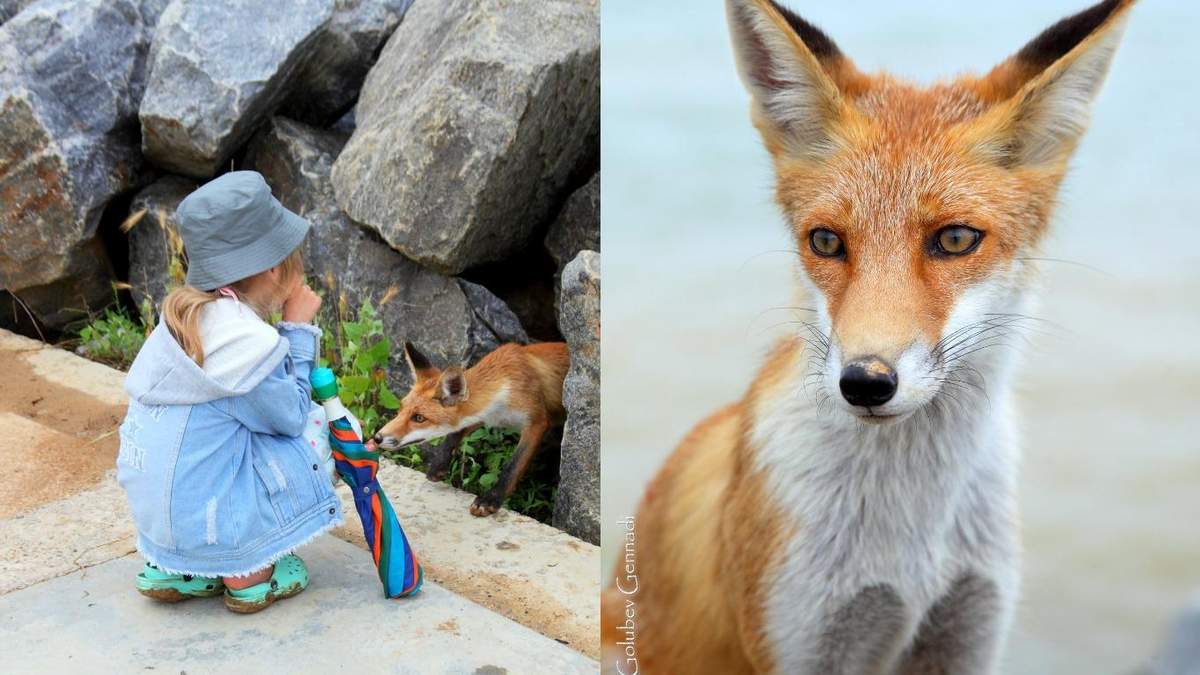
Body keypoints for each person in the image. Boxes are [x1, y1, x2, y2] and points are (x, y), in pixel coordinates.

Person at [116, 170, 341, 613]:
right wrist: (296, 329)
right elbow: (290, 416)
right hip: (217, 526)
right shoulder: (244, 343)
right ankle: (248, 574)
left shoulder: (181, 319)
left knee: (207, 444)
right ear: (275, 266)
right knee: (319, 427)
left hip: (160, 523)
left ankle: (177, 566)